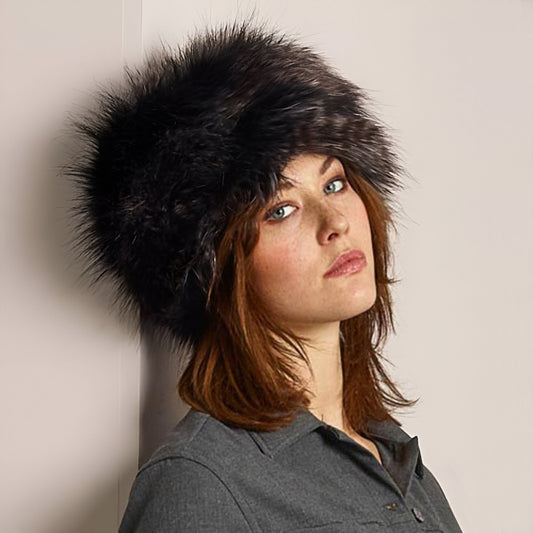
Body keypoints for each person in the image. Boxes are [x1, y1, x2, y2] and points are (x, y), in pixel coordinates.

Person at [68, 19, 463, 533]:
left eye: (335, 183)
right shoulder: (200, 484)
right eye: (280, 210)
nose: (336, 223)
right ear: (215, 267)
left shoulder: (392, 454)